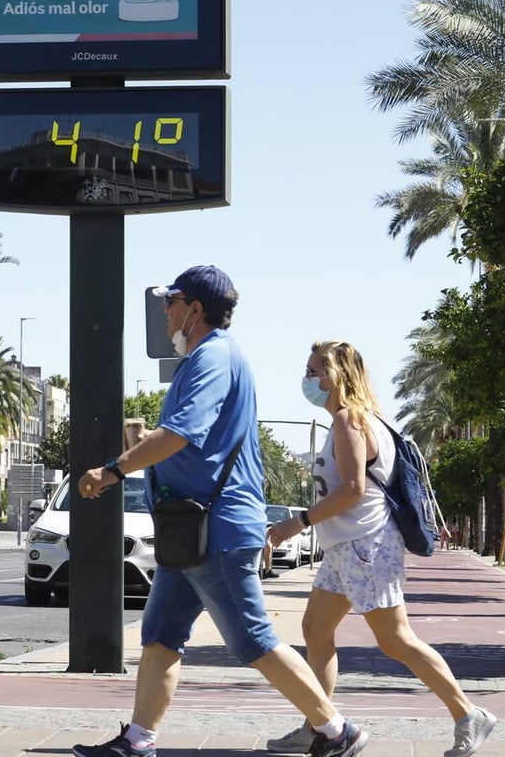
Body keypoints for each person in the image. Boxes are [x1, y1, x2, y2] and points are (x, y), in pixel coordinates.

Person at [74, 267, 369, 757]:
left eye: (171, 302)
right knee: (160, 636)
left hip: (216, 530)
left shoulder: (213, 356)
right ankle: (137, 740)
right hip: (188, 530)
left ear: (194, 309)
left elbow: (181, 435)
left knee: (253, 640)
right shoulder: (201, 359)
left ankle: (338, 731)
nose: (165, 310)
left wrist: (113, 470)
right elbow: (191, 444)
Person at [266, 341, 497, 757]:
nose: (308, 379)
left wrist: (296, 523)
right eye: (308, 370)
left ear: (340, 375)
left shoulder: (350, 421)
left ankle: (468, 715)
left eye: (316, 371)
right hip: (345, 547)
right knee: (316, 631)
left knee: (395, 640)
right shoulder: (353, 419)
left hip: (365, 545)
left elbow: (354, 490)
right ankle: (319, 725)